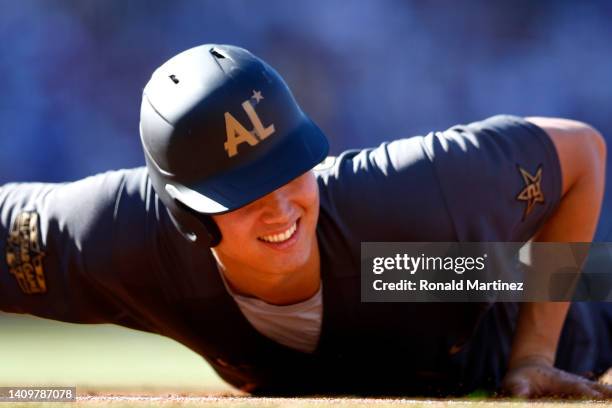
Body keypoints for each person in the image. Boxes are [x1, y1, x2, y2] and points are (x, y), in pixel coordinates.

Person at [0, 44, 610, 398]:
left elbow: (582, 150)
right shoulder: (118, 240)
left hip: (552, 315)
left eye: (289, 168)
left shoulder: (412, 194)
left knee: (458, 272)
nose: (281, 207)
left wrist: (533, 355)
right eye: (242, 192)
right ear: (187, 214)